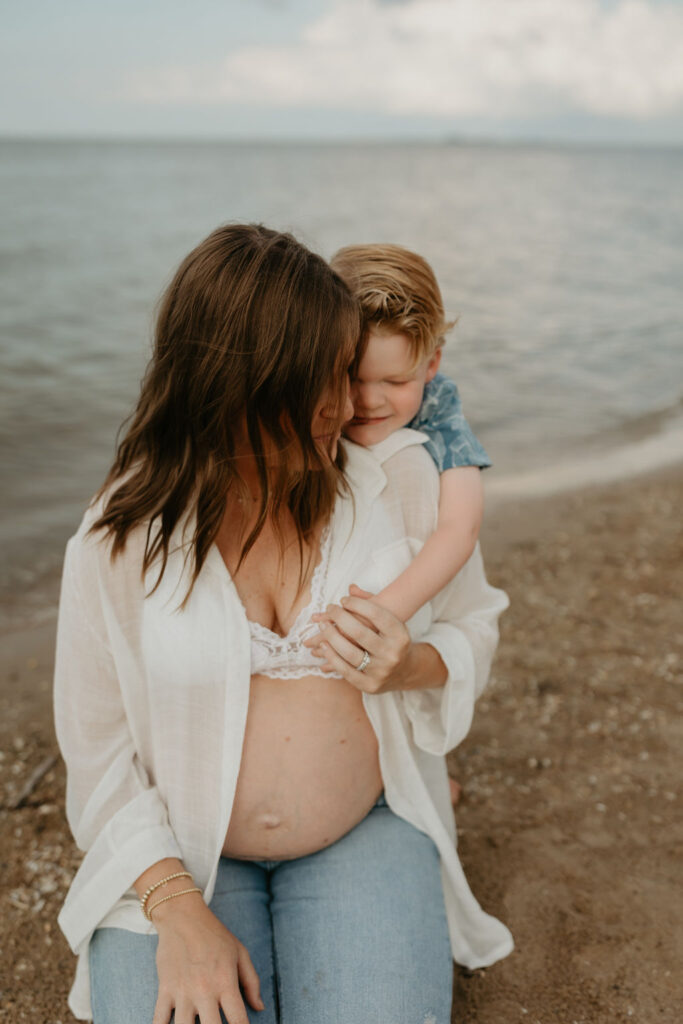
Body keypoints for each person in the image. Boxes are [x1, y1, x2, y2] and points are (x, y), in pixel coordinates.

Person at [53, 223, 512, 1024]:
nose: (348, 405)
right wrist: (179, 912)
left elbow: (474, 625)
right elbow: (97, 756)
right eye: (321, 378)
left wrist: (411, 666)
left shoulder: (396, 476)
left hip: (365, 828)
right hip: (178, 854)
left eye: (346, 369)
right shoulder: (119, 539)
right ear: (242, 385)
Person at [326, 243, 491, 807]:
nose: (368, 402)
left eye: (394, 382)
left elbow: (460, 529)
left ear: (431, 364)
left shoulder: (439, 408)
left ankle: (419, 764)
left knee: (416, 634)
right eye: (351, 376)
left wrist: (384, 611)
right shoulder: (315, 400)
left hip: (399, 593)